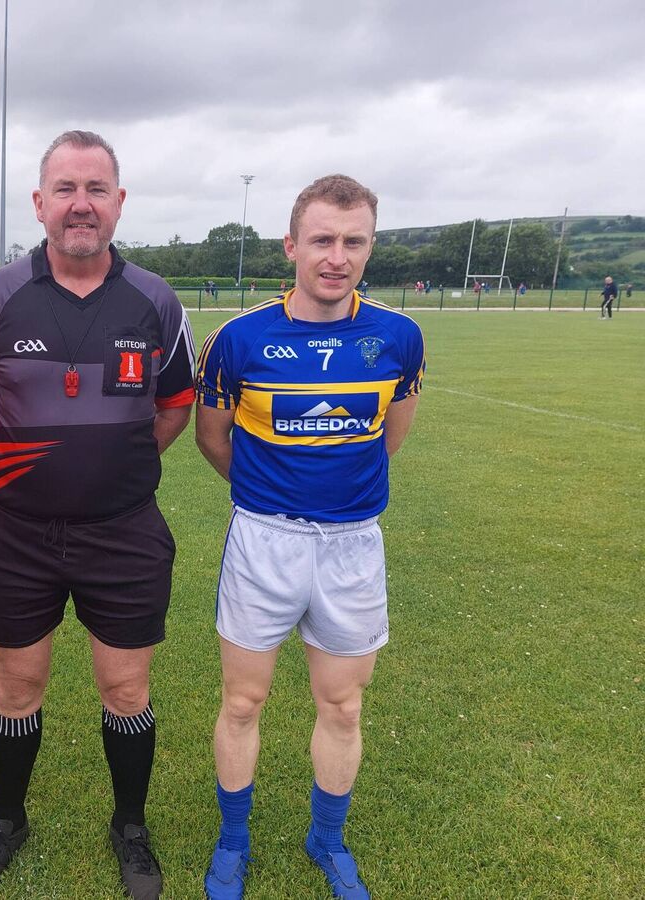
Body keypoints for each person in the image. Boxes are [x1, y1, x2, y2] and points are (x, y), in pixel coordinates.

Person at [0, 130, 195, 900]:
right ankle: (7, 819)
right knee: (16, 686)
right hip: (17, 533)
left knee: (126, 689)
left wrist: (109, 473)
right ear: (40, 203)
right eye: (65, 189)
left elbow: (174, 404)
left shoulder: (155, 300)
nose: (80, 204)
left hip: (124, 532)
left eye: (96, 189)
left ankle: (130, 827)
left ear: (119, 202)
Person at [195, 174, 425, 900]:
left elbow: (388, 439)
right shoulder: (239, 339)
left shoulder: (398, 336)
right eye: (322, 239)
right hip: (264, 540)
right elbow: (213, 440)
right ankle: (234, 841)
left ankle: (326, 838)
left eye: (353, 241)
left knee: (344, 705)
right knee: (242, 702)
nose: (337, 256)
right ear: (292, 245)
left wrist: (333, 490)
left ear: (369, 249)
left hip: (353, 543)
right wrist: (276, 493)